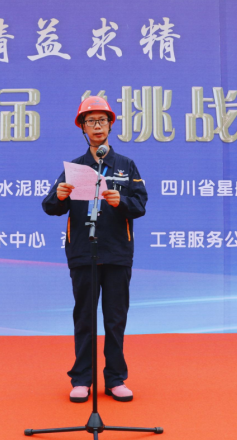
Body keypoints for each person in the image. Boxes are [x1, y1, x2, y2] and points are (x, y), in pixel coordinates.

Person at [42, 96, 148, 403]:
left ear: (110, 125)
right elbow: (50, 207)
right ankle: (82, 379)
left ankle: (115, 379)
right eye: (91, 121)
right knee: (85, 319)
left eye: (102, 120)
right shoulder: (75, 168)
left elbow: (140, 204)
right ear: (83, 128)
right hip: (83, 253)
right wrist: (60, 195)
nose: (97, 126)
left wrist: (121, 201)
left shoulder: (126, 165)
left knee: (115, 320)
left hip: (116, 253)